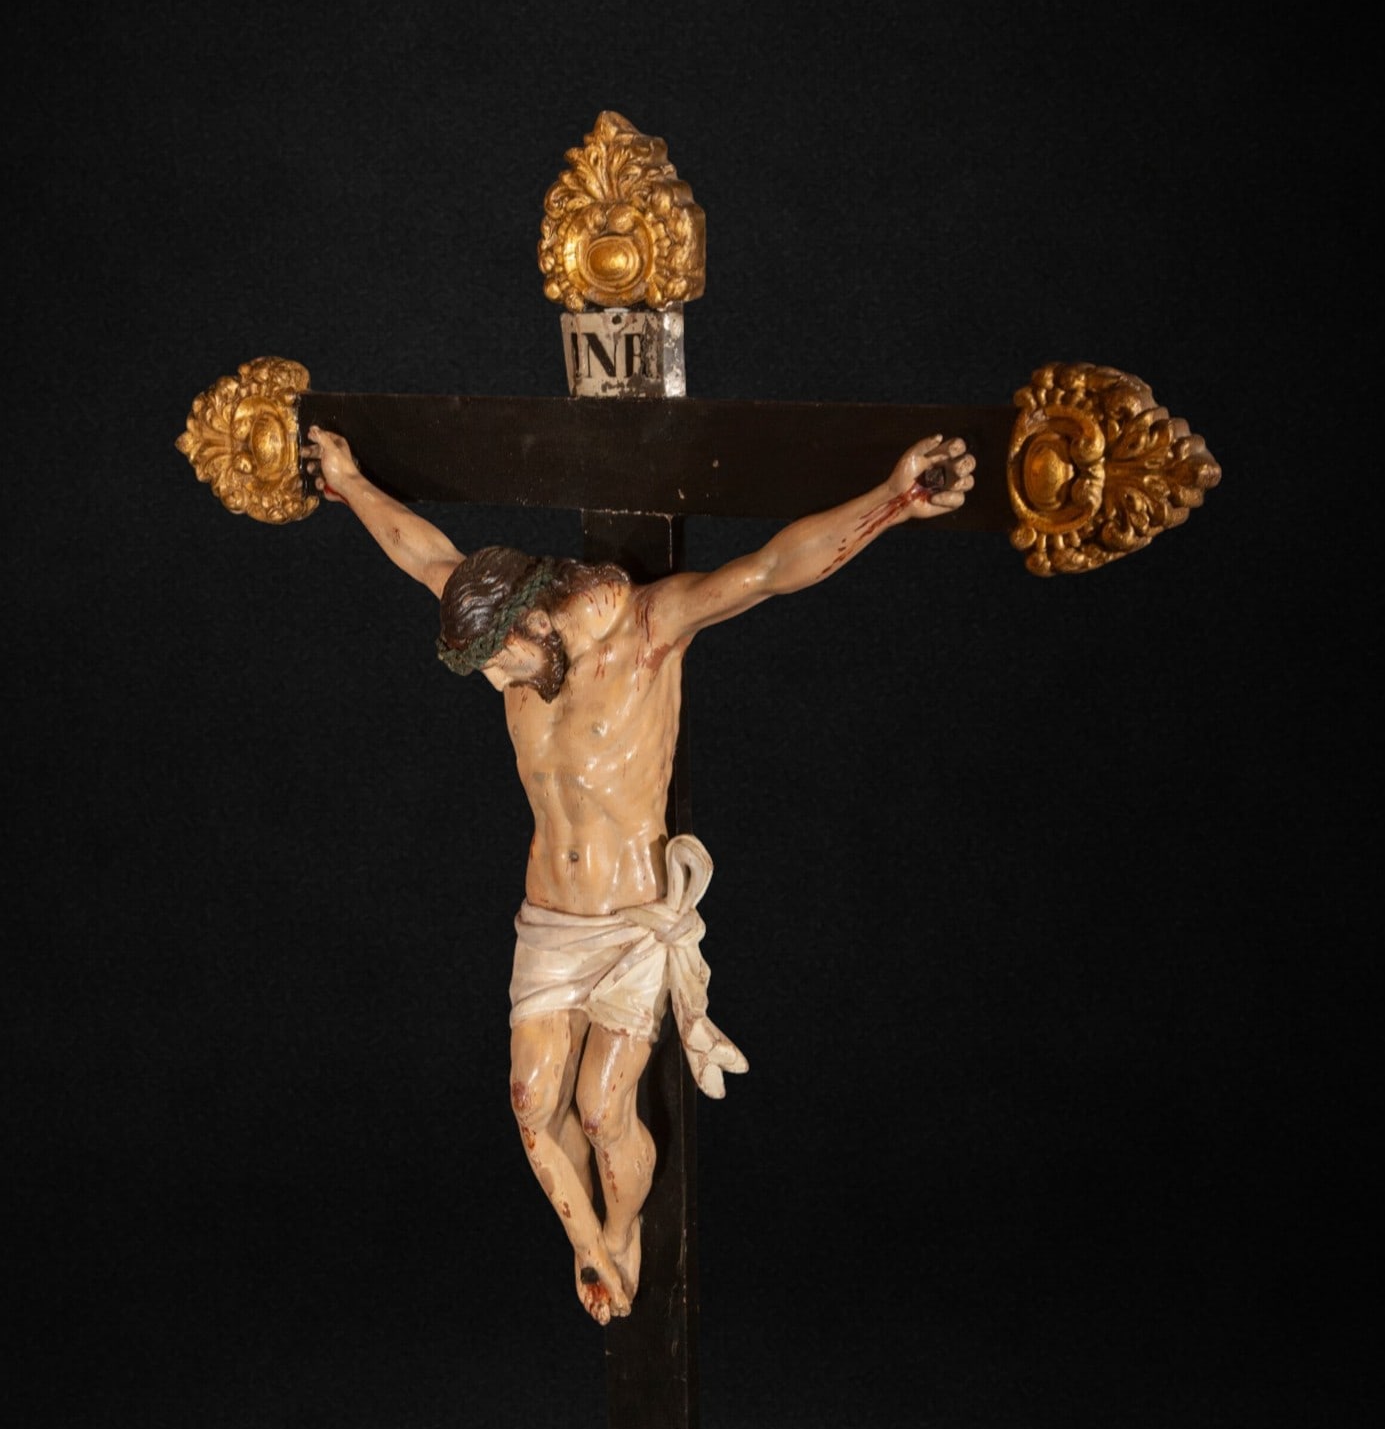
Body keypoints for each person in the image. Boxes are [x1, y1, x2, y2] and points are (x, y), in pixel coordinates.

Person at [302, 424, 974, 1325]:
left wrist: (894, 500)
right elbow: (421, 549)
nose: (494, 678)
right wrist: (345, 482)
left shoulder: (648, 632)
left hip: (626, 924)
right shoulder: (493, 618)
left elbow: (771, 570)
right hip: (549, 919)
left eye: (501, 658)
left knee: (596, 1109)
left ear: (534, 619)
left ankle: (622, 1231)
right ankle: (588, 1247)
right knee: (528, 1102)